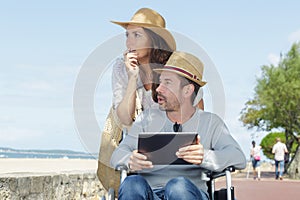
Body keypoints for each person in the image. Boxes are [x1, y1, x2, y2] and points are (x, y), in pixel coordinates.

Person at [110, 51, 246, 200]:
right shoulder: (146, 119)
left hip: (188, 193)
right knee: (131, 183)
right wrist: (129, 159)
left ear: (187, 90)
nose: (159, 89)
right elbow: (117, 155)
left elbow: (239, 158)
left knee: (177, 186)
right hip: (151, 194)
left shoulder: (211, 123)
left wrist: (205, 156)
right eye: (160, 82)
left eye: (167, 83)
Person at [110, 8, 204, 128]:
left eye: (137, 35)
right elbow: (126, 119)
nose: (129, 43)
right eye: (127, 35)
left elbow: (198, 120)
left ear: (154, 40)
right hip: (136, 142)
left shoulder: (175, 69)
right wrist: (132, 77)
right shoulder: (121, 68)